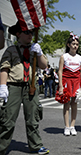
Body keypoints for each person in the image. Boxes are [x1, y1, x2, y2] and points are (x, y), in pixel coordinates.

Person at [0, 21, 49, 154]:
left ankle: (35, 145)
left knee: (33, 118)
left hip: (31, 86)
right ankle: (1, 147)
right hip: (14, 86)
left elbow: (44, 65)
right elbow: (4, 68)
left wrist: (39, 53)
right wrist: (3, 86)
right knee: (7, 119)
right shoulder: (11, 50)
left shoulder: (35, 49)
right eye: (27, 32)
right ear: (18, 34)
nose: (30, 35)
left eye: (32, 32)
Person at [58, 33, 81, 136]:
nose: (75, 46)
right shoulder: (64, 57)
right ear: (68, 45)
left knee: (74, 104)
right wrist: (60, 85)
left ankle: (73, 126)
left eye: (77, 44)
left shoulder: (80, 58)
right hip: (66, 82)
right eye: (73, 44)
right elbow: (60, 71)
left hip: (76, 82)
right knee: (66, 104)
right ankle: (67, 126)